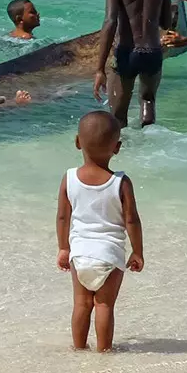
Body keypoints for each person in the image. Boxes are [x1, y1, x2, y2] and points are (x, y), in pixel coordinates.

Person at [55, 109, 144, 352]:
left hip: (80, 254)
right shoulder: (121, 182)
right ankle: (104, 353)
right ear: (117, 147)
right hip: (109, 255)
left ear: (77, 142)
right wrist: (137, 252)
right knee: (104, 306)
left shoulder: (69, 178)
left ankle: (79, 349)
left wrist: (63, 247)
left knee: (82, 304)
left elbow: (63, 216)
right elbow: (132, 221)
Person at [91, 0, 176, 126]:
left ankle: (123, 154)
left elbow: (110, 21)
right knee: (148, 102)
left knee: (118, 116)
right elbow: (166, 22)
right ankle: (149, 150)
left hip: (127, 53)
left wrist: (100, 68)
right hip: (153, 52)